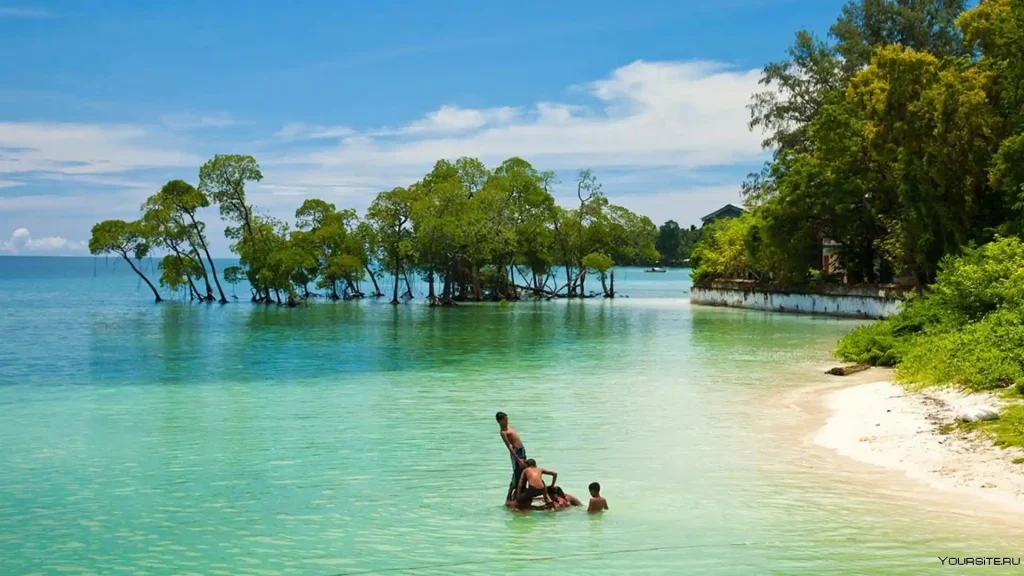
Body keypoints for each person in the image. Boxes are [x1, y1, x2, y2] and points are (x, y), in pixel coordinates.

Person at [496, 411, 527, 503]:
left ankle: (521, 494)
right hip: (516, 453)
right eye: (505, 420)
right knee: (517, 474)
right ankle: (510, 496)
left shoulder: (510, 427)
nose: (507, 421)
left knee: (523, 473)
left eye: (507, 419)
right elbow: (509, 447)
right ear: (499, 421)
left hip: (522, 451)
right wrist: (518, 459)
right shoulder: (503, 432)